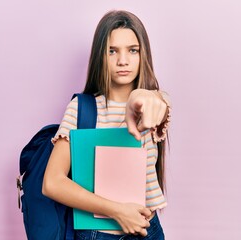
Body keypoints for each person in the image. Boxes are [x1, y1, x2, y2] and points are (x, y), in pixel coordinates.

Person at [42, 10, 171, 240]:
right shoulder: (82, 109)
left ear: (143, 55)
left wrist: (144, 98)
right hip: (99, 234)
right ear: (100, 55)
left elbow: (156, 103)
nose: (123, 60)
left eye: (133, 50)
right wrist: (118, 211)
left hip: (148, 230)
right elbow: (52, 182)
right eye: (112, 51)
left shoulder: (152, 105)